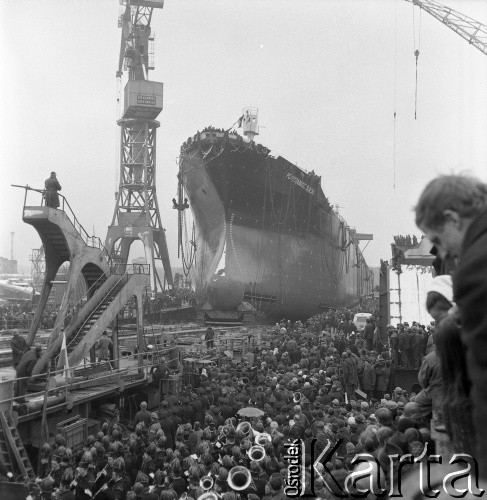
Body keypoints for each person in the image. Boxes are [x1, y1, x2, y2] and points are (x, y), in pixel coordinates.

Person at [415, 173, 487, 476]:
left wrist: (482, 471)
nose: (442, 254)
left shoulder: (475, 265)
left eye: (439, 240)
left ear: (453, 218)